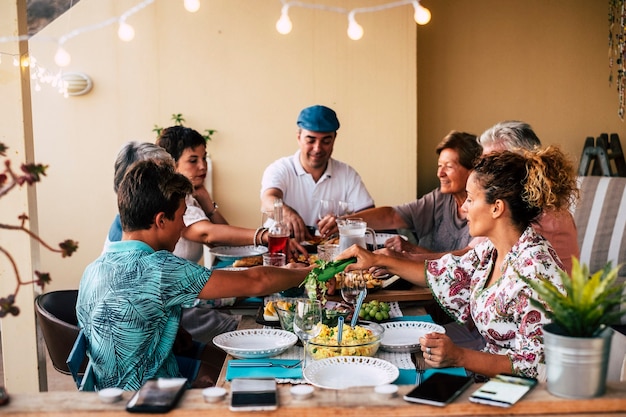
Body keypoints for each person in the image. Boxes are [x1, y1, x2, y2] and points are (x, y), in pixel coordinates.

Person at [337, 146, 578, 381]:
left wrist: (460, 356)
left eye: (471, 200)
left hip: (519, 394)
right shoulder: (491, 250)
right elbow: (441, 274)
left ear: (497, 208)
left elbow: (537, 365)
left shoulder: (536, 270)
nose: (463, 208)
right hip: (488, 376)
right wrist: (378, 260)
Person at [77, 160, 309, 391]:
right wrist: (308, 272)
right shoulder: (160, 268)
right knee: (268, 386)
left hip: (108, 400)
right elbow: (255, 281)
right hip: (154, 403)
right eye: (181, 217)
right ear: (160, 220)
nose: (182, 227)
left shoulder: (92, 270)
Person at [346, 131, 483, 259]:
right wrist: (343, 222)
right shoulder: (439, 198)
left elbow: (467, 260)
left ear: (472, 171)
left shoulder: (484, 210)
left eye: (449, 166)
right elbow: (392, 216)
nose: (440, 174)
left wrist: (412, 250)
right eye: (439, 166)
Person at [260, 105, 375, 242]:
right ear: (299, 137)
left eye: (326, 141)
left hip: (330, 253)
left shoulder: (347, 174)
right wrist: (286, 213)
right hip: (281, 247)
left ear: (334, 139)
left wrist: (343, 222)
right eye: (311, 140)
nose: (318, 148)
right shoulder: (280, 168)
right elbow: (267, 200)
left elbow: (370, 216)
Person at [477, 120, 579, 274]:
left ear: (521, 165)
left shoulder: (542, 215)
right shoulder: (508, 207)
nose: (482, 174)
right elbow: (468, 258)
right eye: (482, 165)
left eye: (493, 165)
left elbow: (471, 263)